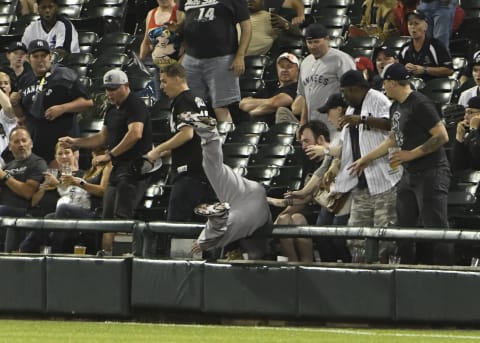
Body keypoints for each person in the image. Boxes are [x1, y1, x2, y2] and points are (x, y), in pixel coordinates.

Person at [349, 63, 452, 265]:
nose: (383, 88)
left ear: (392, 82)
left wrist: (410, 155)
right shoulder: (396, 105)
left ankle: (447, 272)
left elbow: (441, 136)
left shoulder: (420, 103)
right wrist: (366, 158)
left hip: (431, 172)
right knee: (403, 228)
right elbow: (393, 139)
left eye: (385, 83)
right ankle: (406, 270)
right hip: (409, 174)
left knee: (436, 228)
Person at [59, 69, 153, 252]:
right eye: (107, 89)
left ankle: (122, 261)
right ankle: (106, 257)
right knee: (106, 217)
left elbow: (135, 134)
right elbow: (102, 138)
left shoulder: (135, 104)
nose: (109, 93)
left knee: (122, 218)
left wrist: (110, 155)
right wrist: (76, 142)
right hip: (118, 168)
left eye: (114, 89)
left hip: (134, 168)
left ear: (126, 87)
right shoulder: (111, 108)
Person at [177, 111, 272, 259]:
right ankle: (208, 131)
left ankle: (209, 133)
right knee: (213, 168)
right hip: (247, 196)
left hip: (249, 208)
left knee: (214, 169)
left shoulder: (246, 225)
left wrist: (203, 243)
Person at [146, 63, 215, 222]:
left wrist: (157, 150)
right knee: (200, 226)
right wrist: (163, 152)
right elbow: (196, 137)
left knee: (176, 225)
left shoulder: (183, 100)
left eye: (164, 81)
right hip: (205, 172)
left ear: (177, 79)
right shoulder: (197, 100)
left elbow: (187, 134)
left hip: (189, 174)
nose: (161, 86)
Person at [10, 39, 93, 164]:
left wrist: (63, 108)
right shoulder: (25, 79)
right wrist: (15, 104)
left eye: (43, 56)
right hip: (36, 148)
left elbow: (88, 102)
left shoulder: (65, 75)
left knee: (65, 182)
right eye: (35, 56)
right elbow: (21, 116)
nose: (40, 60)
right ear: (28, 58)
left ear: (50, 56)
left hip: (63, 147)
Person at [19, 143, 112, 254]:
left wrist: (59, 184)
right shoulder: (51, 175)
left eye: (67, 152)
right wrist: (44, 188)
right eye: (60, 153)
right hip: (49, 213)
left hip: (84, 212)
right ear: (56, 157)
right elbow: (33, 203)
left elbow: (89, 194)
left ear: (75, 155)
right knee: (48, 217)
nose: (63, 156)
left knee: (63, 209)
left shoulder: (86, 174)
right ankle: (23, 251)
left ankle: (56, 253)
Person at [176, 0, 252, 123]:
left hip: (222, 57)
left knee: (221, 107)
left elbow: (246, 26)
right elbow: (183, 22)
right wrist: (177, 27)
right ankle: (197, 140)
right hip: (191, 57)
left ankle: (226, 139)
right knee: (192, 105)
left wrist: (240, 55)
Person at [269, 120, 331, 262]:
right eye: (302, 142)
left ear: (320, 140)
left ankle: (306, 265)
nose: (303, 146)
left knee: (295, 218)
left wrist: (283, 205)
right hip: (305, 209)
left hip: (322, 211)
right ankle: (292, 265)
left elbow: (308, 195)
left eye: (306, 141)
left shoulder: (331, 162)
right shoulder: (309, 162)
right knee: (286, 219)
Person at [284, 23, 355, 140]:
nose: (312, 46)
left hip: (336, 124)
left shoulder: (341, 59)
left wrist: (346, 119)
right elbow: (306, 98)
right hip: (314, 126)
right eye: (309, 42)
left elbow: (352, 92)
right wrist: (303, 123)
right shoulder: (306, 62)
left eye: (316, 42)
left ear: (327, 39)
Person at [1, 127, 47, 252]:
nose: (21, 144)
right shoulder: (7, 166)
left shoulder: (37, 163)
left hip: (24, 211)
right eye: (16, 142)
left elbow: (28, 193)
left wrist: (5, 177)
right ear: (10, 147)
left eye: (24, 140)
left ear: (31, 143)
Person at [239, 52, 299, 126]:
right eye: (282, 66)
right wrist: (269, 105)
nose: (284, 70)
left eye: (289, 67)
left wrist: (257, 108)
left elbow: (277, 102)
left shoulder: (297, 86)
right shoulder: (270, 85)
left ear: (297, 70)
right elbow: (243, 104)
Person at [139, 0, 179, 100]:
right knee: (161, 105)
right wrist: (140, 60)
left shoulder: (180, 12)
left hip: (178, 69)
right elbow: (146, 42)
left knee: (180, 102)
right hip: (159, 70)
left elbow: (188, 44)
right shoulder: (151, 14)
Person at [398, 10, 453, 81]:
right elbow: (398, 71)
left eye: (416, 23)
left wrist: (425, 70)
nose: (413, 27)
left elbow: (449, 70)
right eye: (410, 24)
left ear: (425, 26)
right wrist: (404, 69)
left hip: (434, 86)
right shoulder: (405, 48)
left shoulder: (436, 45)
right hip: (412, 87)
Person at [452, 96, 480, 171]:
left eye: (470, 112)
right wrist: (459, 138)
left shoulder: (472, 132)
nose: (465, 117)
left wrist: (473, 129)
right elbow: (457, 166)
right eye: (465, 112)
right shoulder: (468, 134)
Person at [0, 73, 19, 167]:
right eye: (0, 83)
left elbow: (8, 107)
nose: (3, 86)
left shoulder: (8, 111)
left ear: (10, 87)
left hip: (7, 164)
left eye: (6, 83)